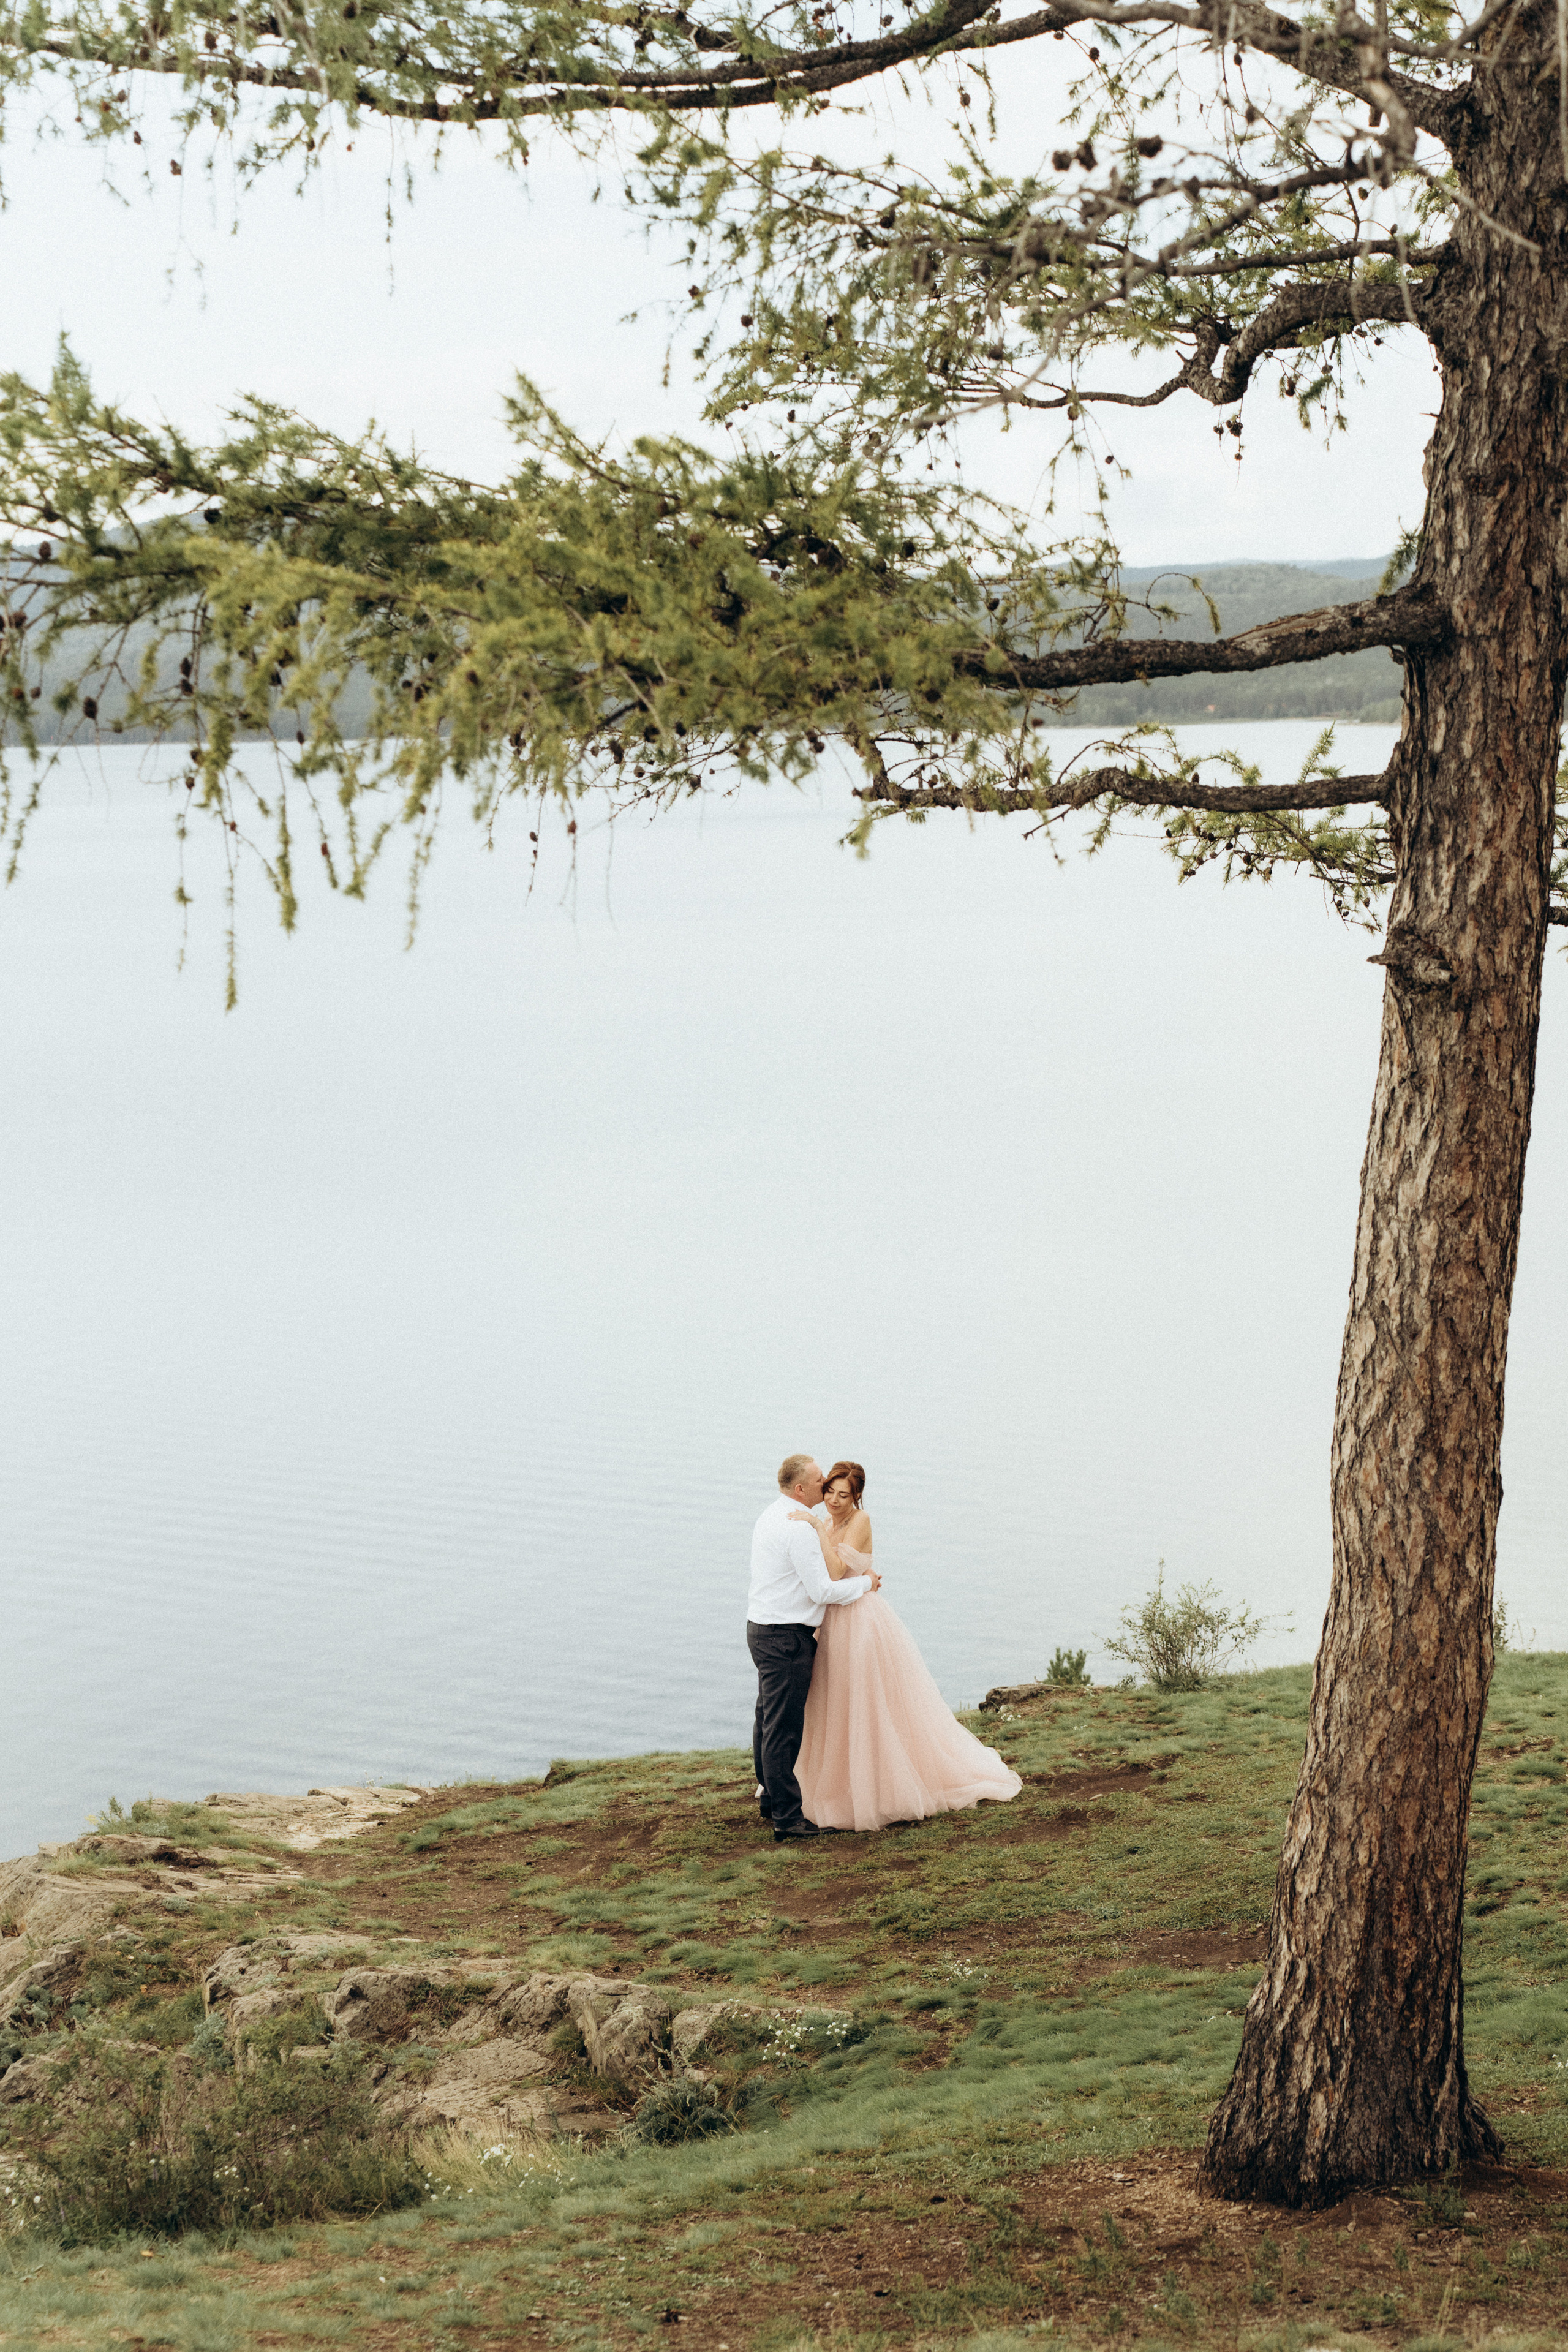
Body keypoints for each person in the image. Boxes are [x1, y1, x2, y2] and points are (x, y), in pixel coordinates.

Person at [791, 1461, 1023, 1832]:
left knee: (867, 1702)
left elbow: (834, 1572)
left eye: (844, 1495)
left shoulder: (858, 1522)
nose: (834, 1500)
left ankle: (879, 1788)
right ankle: (835, 1782)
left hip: (858, 1621)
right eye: (830, 1491)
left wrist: (817, 1526)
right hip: (831, 1621)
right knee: (834, 1701)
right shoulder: (830, 1521)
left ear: (857, 1497)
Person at [747, 1453, 881, 1842]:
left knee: (767, 1717)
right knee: (783, 1728)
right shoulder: (800, 1528)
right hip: (785, 1635)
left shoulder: (771, 1514)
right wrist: (868, 1583)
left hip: (762, 1628)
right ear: (802, 1488)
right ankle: (787, 1819)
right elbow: (824, 1589)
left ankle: (772, 1800)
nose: (829, 1492)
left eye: (839, 1490)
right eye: (823, 1483)